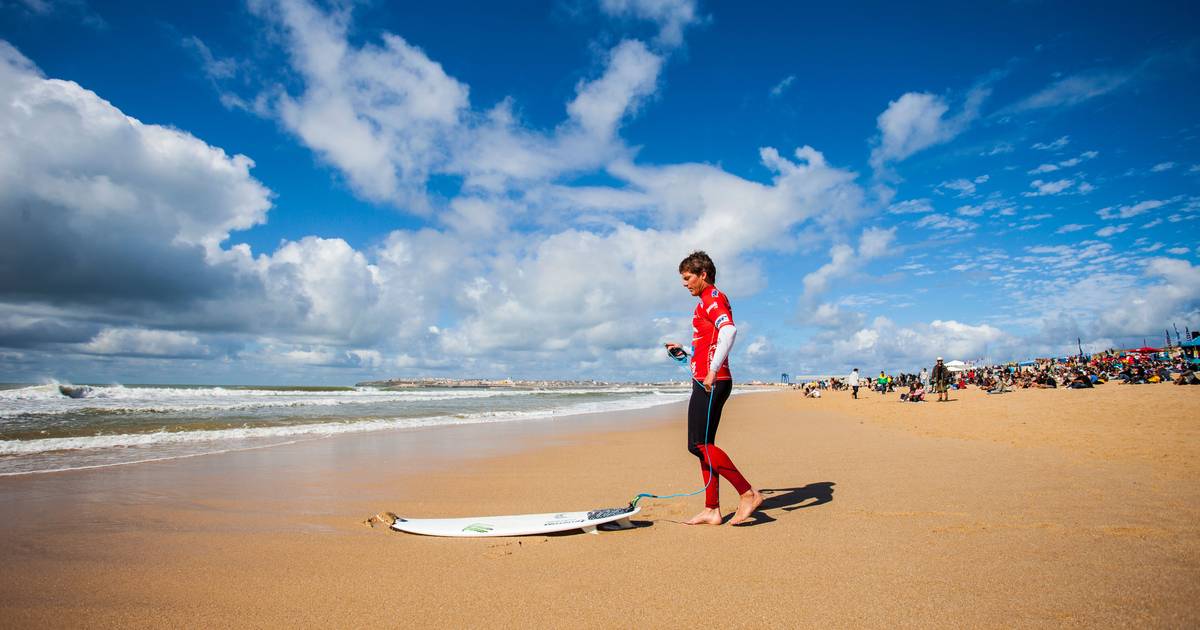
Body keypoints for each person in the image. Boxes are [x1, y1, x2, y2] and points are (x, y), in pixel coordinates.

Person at [664, 251, 764, 526]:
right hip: (707, 379)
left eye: (687, 278)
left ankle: (748, 493)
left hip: (712, 382)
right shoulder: (704, 303)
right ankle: (712, 509)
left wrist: (710, 370)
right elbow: (709, 343)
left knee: (698, 444)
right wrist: (684, 353)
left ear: (703, 274)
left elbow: (729, 331)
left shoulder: (712, 299)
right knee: (703, 445)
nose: (684, 284)